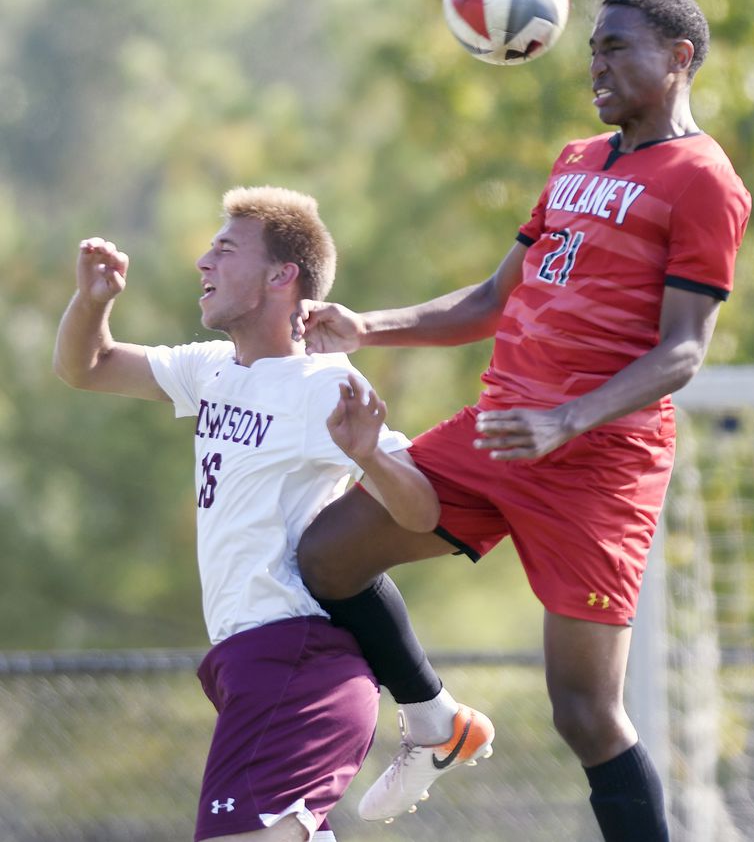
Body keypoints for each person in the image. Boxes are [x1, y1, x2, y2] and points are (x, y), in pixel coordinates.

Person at [291, 0, 752, 841]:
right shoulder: (576, 160)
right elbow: (493, 300)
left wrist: (567, 419)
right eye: (593, 50)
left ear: (680, 58)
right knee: (324, 558)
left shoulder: (704, 180)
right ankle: (434, 724)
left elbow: (684, 351)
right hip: (499, 432)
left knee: (584, 714)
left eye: (617, 47)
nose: (596, 65)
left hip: (598, 468)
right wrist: (367, 327)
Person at [52, 185, 455, 842]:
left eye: (224, 249)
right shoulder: (212, 368)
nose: (203, 263)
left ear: (280, 276)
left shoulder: (324, 382)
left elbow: (421, 510)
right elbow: (86, 366)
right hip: (251, 666)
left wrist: (371, 460)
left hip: (295, 662)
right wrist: (92, 302)